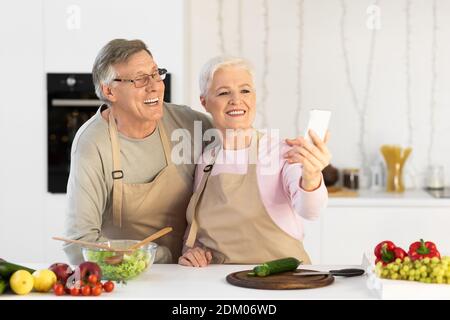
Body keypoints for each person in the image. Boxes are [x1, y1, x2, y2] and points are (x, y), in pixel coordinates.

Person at [63, 39, 212, 264]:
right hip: (128, 278)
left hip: (193, 269)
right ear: (109, 90)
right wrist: (162, 255)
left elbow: (244, 147)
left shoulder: (188, 123)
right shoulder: (92, 144)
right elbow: (79, 244)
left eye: (155, 74)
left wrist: (283, 152)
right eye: (140, 79)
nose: (154, 85)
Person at [179, 56, 330, 267]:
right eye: (223, 93)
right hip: (222, 283)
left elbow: (310, 211)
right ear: (204, 102)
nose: (236, 100)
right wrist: (192, 252)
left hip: (283, 283)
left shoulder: (281, 151)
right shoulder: (206, 160)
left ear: (254, 97)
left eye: (245, 90)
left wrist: (312, 175)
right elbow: (199, 229)